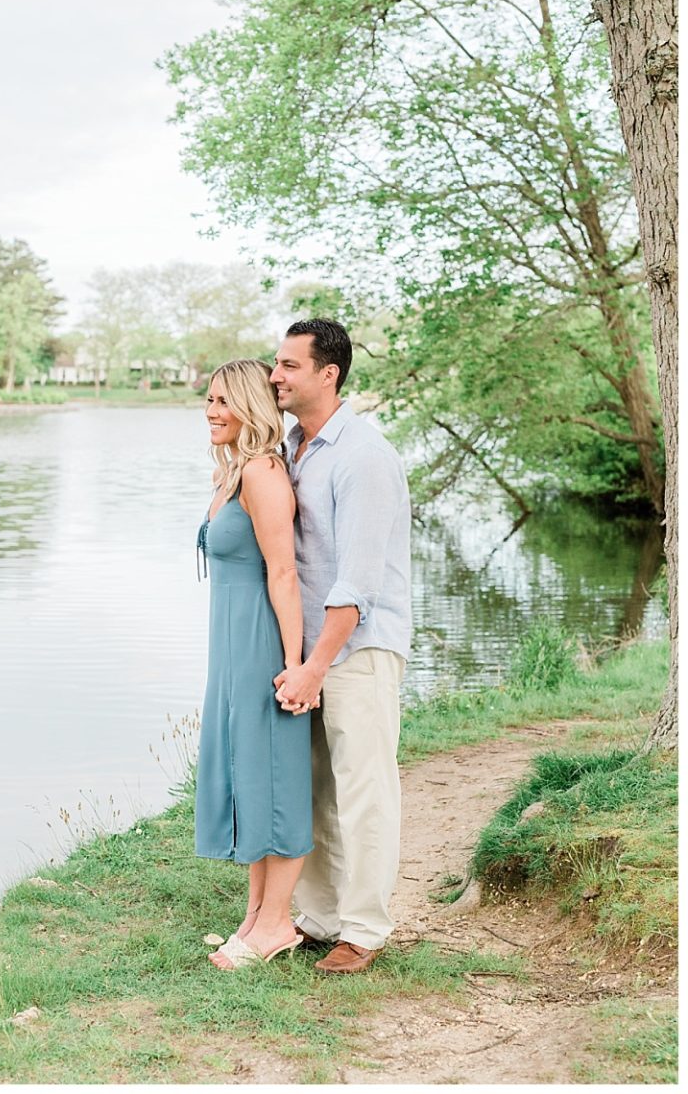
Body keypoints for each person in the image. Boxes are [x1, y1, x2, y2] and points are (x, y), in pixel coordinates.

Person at [270, 318, 412, 975]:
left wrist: (316, 667)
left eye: (289, 365)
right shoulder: (293, 445)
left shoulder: (363, 455)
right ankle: (321, 919)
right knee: (315, 790)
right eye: (277, 363)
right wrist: (298, 662)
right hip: (309, 651)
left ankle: (364, 930)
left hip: (358, 648)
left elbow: (356, 585)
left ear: (328, 375)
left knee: (364, 791)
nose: (276, 375)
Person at [193, 358, 314, 970]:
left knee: (274, 778)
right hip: (230, 649)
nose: (211, 411)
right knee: (249, 775)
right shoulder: (232, 471)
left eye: (223, 401)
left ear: (249, 406)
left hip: (262, 647)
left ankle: (277, 924)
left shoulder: (264, 472)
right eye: (209, 400)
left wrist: (295, 665)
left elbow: (283, 572)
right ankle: (256, 914)